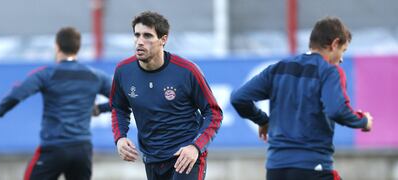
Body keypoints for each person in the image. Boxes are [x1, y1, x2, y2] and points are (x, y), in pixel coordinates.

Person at [230, 16, 373, 180]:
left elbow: (238, 98)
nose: (341, 59)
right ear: (334, 44)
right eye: (343, 50)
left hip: (276, 169)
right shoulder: (329, 71)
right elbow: (336, 110)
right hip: (312, 167)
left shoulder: (278, 68)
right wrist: (363, 121)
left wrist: (263, 121)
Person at [0, 27, 112, 180]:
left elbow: (18, 93)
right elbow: (124, 99)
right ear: (78, 48)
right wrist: (100, 108)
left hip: (54, 148)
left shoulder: (47, 74)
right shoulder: (95, 76)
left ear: (57, 46)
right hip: (82, 150)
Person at [110, 11, 223, 180]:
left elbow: (214, 113)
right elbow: (118, 108)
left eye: (148, 36)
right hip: (152, 159)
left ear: (163, 39)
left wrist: (196, 147)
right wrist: (120, 138)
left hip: (186, 158)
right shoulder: (123, 71)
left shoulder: (187, 71)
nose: (140, 41)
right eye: (137, 35)